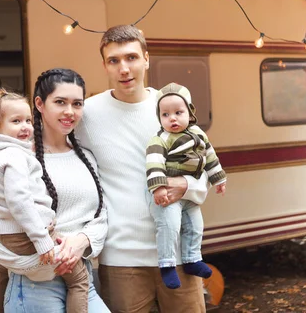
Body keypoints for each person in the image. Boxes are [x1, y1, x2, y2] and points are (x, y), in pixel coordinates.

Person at [74, 25, 208, 312]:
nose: (124, 68)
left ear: (147, 59)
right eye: (114, 60)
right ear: (104, 65)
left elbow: (203, 169)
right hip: (122, 259)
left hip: (179, 255)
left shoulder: (172, 107)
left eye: (131, 58)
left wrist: (187, 186)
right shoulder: (87, 114)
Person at [0, 69, 109, 313]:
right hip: (35, 284)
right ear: (39, 104)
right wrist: (34, 261)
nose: (69, 111)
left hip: (82, 279)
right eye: (60, 102)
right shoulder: (18, 157)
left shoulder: (86, 157)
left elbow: (101, 215)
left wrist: (82, 241)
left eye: (77, 103)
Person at [146, 82, 227, 289]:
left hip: (189, 195)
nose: (172, 118)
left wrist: (218, 178)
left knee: (195, 225)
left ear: (190, 113)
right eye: (165, 114)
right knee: (169, 226)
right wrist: (159, 187)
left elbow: (210, 156)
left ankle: (192, 259)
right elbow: (154, 164)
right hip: (168, 195)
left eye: (178, 112)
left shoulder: (199, 134)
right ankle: (167, 265)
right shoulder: (160, 139)